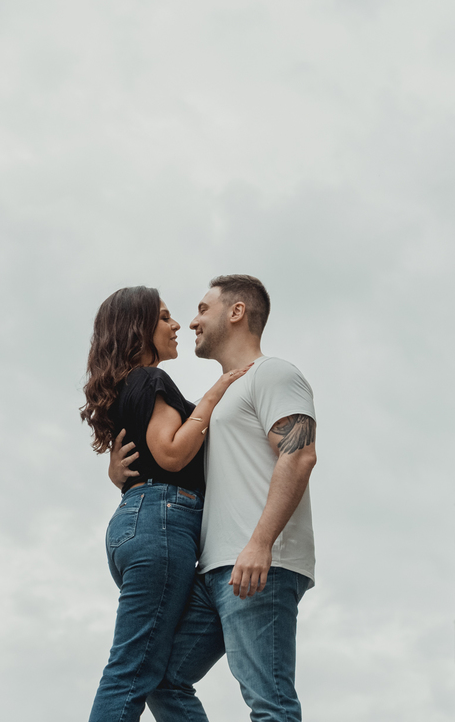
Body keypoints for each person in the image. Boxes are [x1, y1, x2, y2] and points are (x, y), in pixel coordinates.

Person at [110, 275, 318, 722]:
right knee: (163, 680)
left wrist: (260, 543)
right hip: (215, 568)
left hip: (262, 561)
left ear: (237, 312)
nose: (192, 320)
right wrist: (122, 475)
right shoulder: (218, 401)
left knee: (269, 701)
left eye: (203, 309)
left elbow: (298, 456)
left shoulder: (273, 373)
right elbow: (175, 459)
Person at [81, 286, 250, 722]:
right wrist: (214, 396)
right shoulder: (152, 380)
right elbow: (171, 453)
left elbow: (148, 465)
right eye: (164, 317)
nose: (176, 325)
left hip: (140, 527)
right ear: (138, 329)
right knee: (132, 671)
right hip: (163, 525)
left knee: (156, 674)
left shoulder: (128, 388)